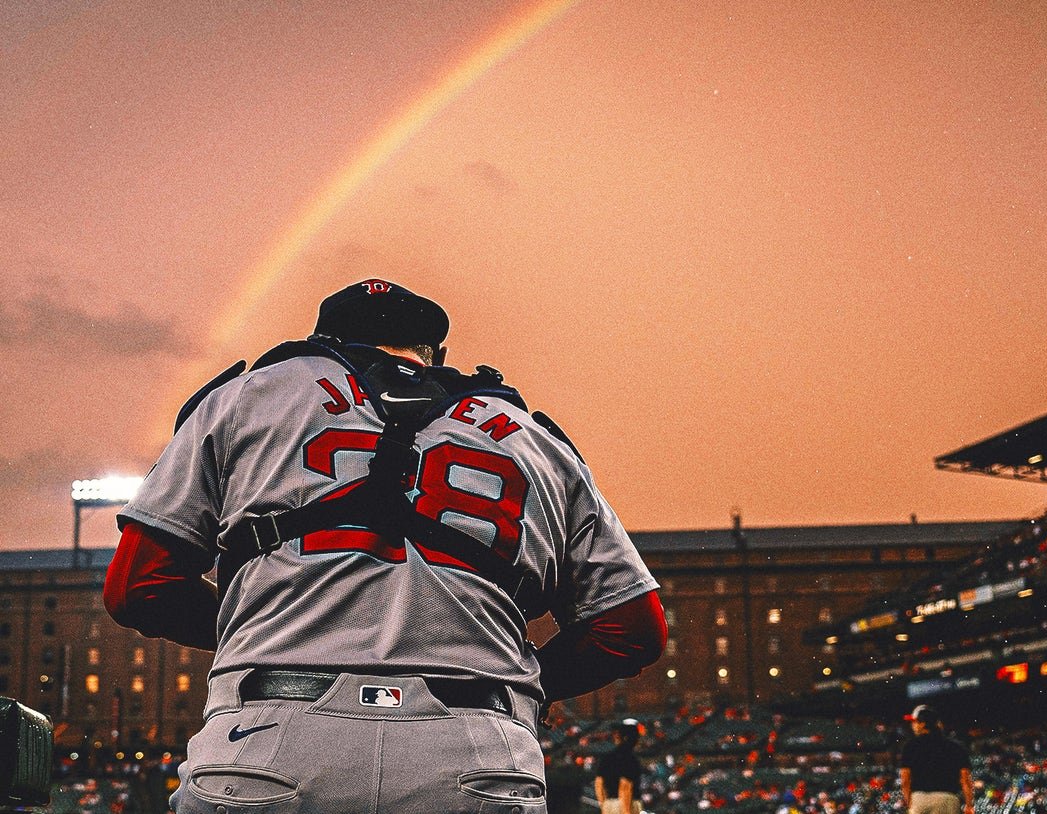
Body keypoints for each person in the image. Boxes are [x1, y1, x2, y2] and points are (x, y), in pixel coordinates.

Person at [104, 279, 667, 813]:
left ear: (323, 342)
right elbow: (634, 628)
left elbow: (138, 586)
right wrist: (527, 681)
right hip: (477, 745)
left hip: (269, 734)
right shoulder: (536, 440)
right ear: (433, 354)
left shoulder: (245, 398)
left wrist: (267, 627)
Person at [899, 705, 974, 814]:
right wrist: (969, 805)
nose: (912, 726)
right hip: (948, 799)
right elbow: (965, 780)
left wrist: (910, 803)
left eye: (915, 722)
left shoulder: (910, 746)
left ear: (923, 724)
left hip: (920, 799)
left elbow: (905, 780)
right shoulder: (956, 746)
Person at [595, 719, 644, 814]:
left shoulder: (606, 757)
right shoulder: (631, 759)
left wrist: (604, 806)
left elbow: (599, 784)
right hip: (627, 805)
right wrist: (626, 812)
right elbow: (625, 787)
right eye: (636, 737)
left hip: (609, 804)